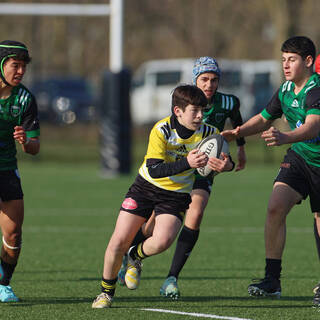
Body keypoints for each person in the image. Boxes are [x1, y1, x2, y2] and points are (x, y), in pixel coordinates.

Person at [92, 84, 234, 309]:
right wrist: (187, 162)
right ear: (178, 111)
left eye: (202, 111)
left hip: (176, 194)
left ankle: (135, 256)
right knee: (118, 240)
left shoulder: (210, 134)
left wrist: (226, 165)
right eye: (194, 111)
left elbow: (228, 159)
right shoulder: (162, 129)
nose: (200, 116)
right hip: (146, 187)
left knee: (162, 241)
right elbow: (155, 169)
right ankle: (105, 294)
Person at [221, 36, 320, 306]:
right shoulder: (286, 89)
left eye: (292, 59)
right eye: (283, 59)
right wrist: (237, 133)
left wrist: (286, 137)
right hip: (300, 158)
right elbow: (265, 118)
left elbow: (313, 126)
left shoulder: (316, 89)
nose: (285, 65)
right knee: (276, 206)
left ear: (308, 61)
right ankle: (272, 281)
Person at [159, 56, 246, 299]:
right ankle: (133, 255)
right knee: (152, 224)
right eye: (204, 79)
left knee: (195, 213)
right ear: (195, 80)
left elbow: (237, 121)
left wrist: (239, 148)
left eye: (214, 80)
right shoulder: (185, 101)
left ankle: (171, 278)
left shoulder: (228, 101)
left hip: (205, 167)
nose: (209, 84)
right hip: (179, 165)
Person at [0, 40, 40, 302]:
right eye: (16, 65)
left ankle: (3, 284)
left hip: (6, 169)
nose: (21, 71)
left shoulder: (25, 99)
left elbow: (35, 148)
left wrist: (25, 140)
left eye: (23, 67)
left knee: (13, 233)